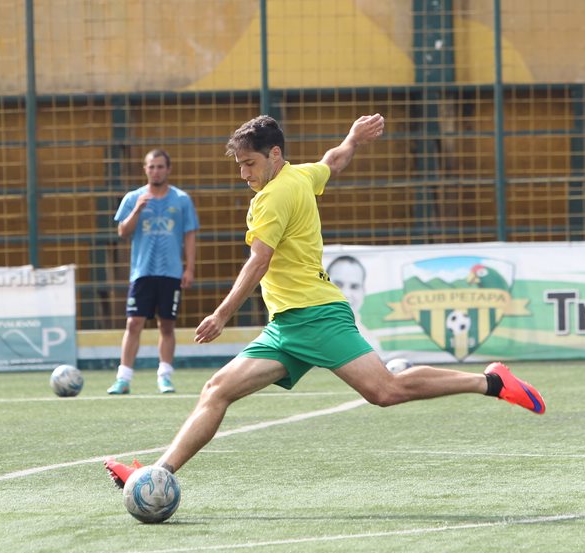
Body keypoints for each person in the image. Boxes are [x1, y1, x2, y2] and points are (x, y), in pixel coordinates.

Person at [104, 114, 544, 488]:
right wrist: (352, 139)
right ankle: (156, 477)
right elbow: (332, 161)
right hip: (286, 328)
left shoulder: (271, 198)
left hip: (315, 316)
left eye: (250, 163)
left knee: (385, 391)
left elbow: (258, 262)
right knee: (216, 390)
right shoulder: (299, 175)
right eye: (240, 165)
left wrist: (221, 314)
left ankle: (491, 382)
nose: (244, 174)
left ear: (274, 154)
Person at [108, 149, 199, 395]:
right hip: (142, 272)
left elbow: (189, 234)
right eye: (151, 166)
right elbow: (122, 232)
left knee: (167, 326)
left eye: (160, 166)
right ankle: (123, 378)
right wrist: (137, 210)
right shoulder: (133, 198)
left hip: (170, 273)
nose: (155, 171)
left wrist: (189, 267)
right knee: (133, 323)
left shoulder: (181, 199)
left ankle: (165, 376)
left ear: (168, 170)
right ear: (145, 169)